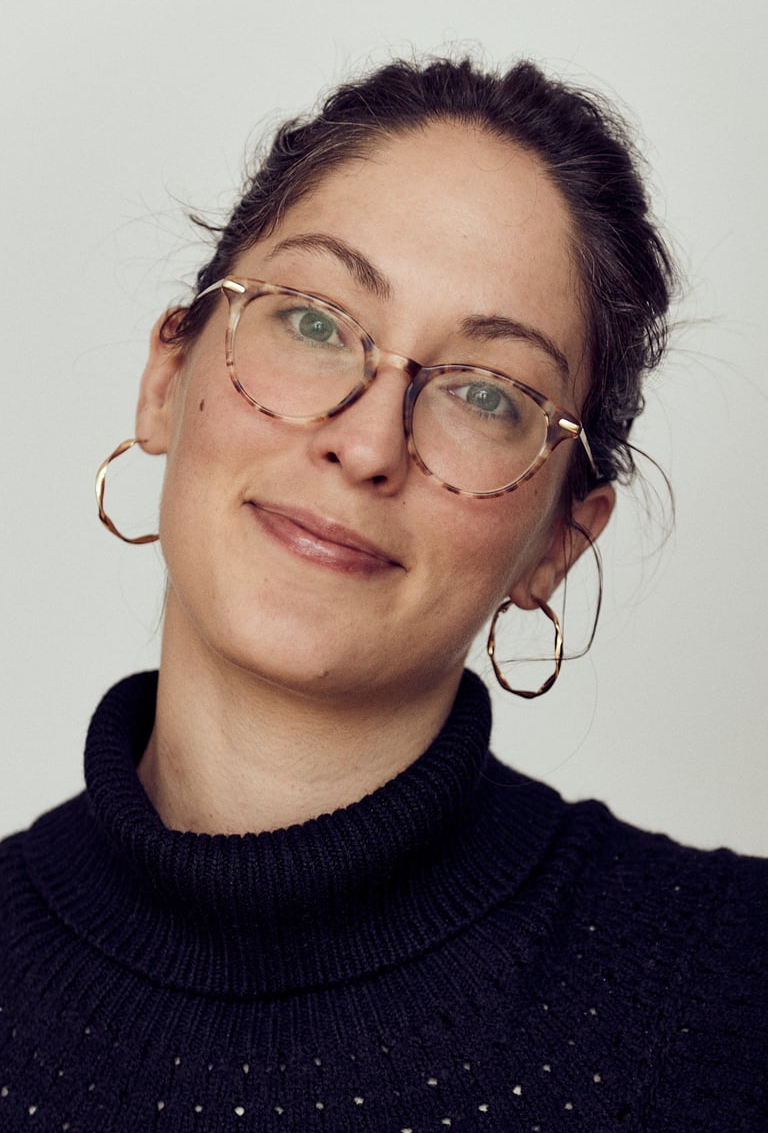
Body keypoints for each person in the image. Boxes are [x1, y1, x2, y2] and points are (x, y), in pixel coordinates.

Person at [1, 56, 765, 1131]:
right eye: (313, 322)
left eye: (486, 394)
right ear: (168, 378)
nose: (366, 443)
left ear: (560, 540)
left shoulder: (738, 988)